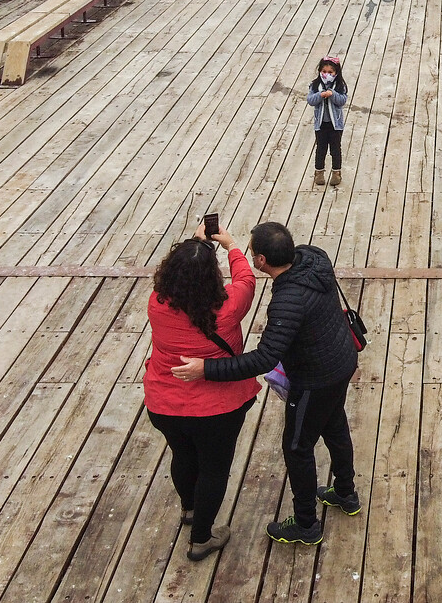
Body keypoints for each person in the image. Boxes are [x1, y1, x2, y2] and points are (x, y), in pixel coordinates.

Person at [172, 221, 361, 546]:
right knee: (334, 425)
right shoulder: (314, 257)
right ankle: (345, 492)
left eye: (251, 251)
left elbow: (264, 358)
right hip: (342, 360)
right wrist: (229, 245)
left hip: (315, 381)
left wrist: (207, 369)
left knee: (297, 448)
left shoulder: (287, 301)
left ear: (261, 261)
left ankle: (306, 525)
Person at [144, 222, 259, 561]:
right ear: (212, 276)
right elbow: (246, 280)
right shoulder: (229, 307)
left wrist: (196, 246)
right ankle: (201, 539)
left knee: (182, 456)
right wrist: (231, 246)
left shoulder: (157, 303)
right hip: (217, 409)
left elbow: (187, 274)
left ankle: (190, 509)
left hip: (164, 402)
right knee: (213, 469)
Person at [307, 55, 348, 186]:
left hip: (335, 125)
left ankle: (336, 172)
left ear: (336, 72)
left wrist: (332, 94)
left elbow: (342, 100)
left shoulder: (340, 85)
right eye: (324, 71)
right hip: (321, 125)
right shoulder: (315, 85)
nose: (327, 74)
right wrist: (320, 95)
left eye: (330, 72)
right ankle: (319, 172)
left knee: (335, 149)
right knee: (321, 149)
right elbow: (310, 100)